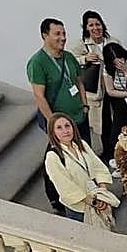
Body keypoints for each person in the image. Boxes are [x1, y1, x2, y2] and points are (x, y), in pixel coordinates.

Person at [29, 19, 89, 214]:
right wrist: (53, 122)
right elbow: (39, 95)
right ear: (44, 35)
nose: (62, 38)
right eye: (57, 34)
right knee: (57, 158)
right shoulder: (38, 62)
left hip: (79, 116)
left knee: (83, 153)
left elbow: (78, 81)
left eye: (64, 33)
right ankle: (55, 198)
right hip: (61, 123)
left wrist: (85, 104)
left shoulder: (69, 57)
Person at [43, 112, 117, 225]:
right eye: (59, 128)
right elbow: (65, 186)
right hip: (79, 210)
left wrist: (102, 192)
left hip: (98, 197)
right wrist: (92, 201)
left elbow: (99, 167)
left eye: (67, 126)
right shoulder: (52, 156)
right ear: (53, 133)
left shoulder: (82, 144)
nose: (65, 130)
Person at [71, 11, 117, 156]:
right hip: (95, 92)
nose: (95, 28)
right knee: (99, 124)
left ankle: (113, 153)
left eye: (98, 24)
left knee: (114, 122)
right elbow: (71, 62)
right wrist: (85, 59)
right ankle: (100, 154)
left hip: (114, 88)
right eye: (91, 25)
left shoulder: (112, 42)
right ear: (85, 27)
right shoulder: (81, 44)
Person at [100, 42, 127, 156]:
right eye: (115, 62)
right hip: (119, 102)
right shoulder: (107, 69)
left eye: (120, 59)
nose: (118, 63)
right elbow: (110, 91)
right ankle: (116, 156)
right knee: (116, 132)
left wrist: (126, 72)